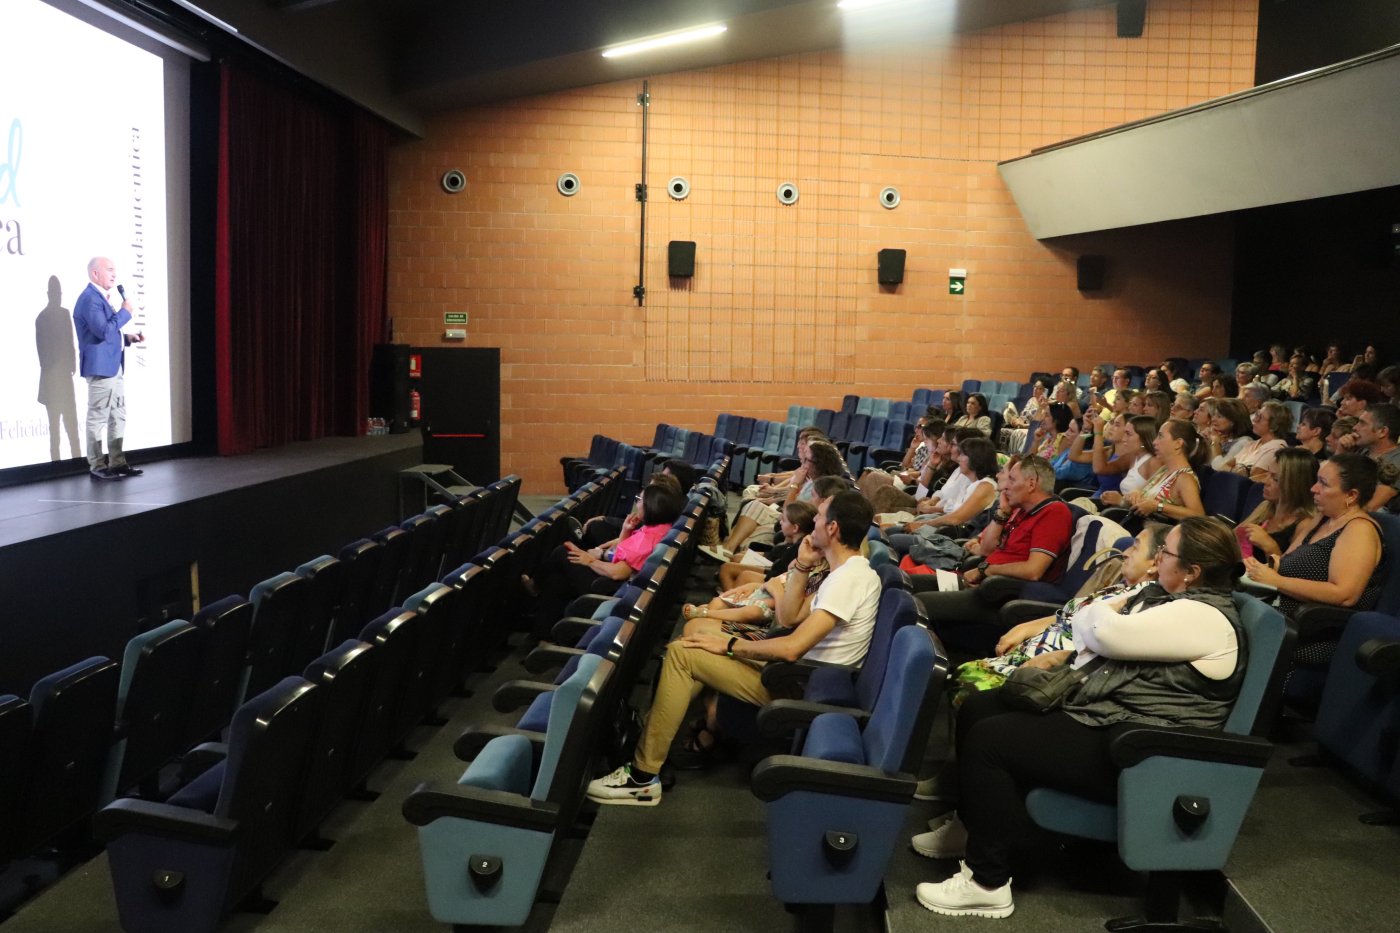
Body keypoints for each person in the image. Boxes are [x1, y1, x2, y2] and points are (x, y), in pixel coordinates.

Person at [912, 517, 1244, 919]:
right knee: (984, 706)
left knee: (992, 741)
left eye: (1165, 552)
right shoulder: (1173, 601)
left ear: (1193, 572)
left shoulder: (1203, 617)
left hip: (1146, 751)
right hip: (1119, 722)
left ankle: (987, 883)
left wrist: (1104, 611)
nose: (1156, 559)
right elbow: (1096, 627)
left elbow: (1098, 631)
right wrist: (1104, 615)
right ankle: (975, 828)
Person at [586, 491, 881, 806]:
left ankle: (643, 777)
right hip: (796, 675)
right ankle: (653, 738)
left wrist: (728, 645)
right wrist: (801, 565)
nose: (813, 523)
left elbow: (792, 648)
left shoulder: (847, 580)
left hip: (798, 685)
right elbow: (789, 616)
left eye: (820, 517)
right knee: (692, 642)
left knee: (683, 655)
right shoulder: (848, 572)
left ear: (833, 529)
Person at [948, 523, 1170, 705]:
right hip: (1024, 658)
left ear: (1154, 563)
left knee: (964, 689)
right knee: (956, 676)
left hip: (1048, 678)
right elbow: (1067, 615)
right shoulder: (1118, 588)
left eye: (1135, 547)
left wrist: (1050, 658)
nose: (1125, 552)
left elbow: (1093, 650)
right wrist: (1024, 628)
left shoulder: (1140, 603)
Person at [911, 456, 1074, 654]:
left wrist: (986, 570)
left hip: (997, 595)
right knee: (906, 583)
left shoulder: (1054, 512)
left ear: (1031, 483)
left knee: (915, 604)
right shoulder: (1020, 510)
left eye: (1012, 480)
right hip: (979, 581)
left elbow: (1034, 571)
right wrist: (1002, 512)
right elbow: (987, 550)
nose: (1005, 486)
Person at [522, 479, 685, 630]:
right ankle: (544, 634)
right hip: (612, 582)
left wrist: (590, 561)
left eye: (640, 499)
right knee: (557, 582)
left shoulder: (649, 539)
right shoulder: (658, 528)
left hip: (609, 588)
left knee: (562, 552)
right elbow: (624, 554)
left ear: (651, 505)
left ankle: (535, 585)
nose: (637, 503)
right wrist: (625, 531)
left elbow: (619, 572)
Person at [1243, 453, 1385, 618]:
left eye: (1323, 484)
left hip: (1307, 628)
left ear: (1351, 495)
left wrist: (1278, 582)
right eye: (1317, 480)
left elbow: (1344, 595)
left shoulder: (1360, 530)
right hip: (1273, 609)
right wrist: (1255, 567)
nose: (1313, 488)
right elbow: (1284, 563)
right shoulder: (1321, 518)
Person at [72, 256, 144, 480]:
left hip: (114, 366)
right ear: (95, 274)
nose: (114, 274)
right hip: (102, 368)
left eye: (115, 270)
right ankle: (97, 466)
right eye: (110, 270)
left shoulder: (100, 298)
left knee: (118, 415)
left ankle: (117, 462)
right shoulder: (89, 299)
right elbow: (102, 331)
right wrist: (125, 312)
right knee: (98, 417)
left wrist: (127, 338)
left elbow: (110, 332)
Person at [716, 499, 818, 591]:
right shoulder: (796, 541)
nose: (781, 523)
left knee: (728, 569)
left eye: (784, 520)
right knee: (737, 559)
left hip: (775, 577)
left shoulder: (798, 547)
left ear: (795, 528)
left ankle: (729, 597)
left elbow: (778, 571)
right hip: (775, 569)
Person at [1236, 447, 1318, 561]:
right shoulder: (1266, 507)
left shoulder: (1304, 525)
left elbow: (1288, 574)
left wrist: (1270, 547)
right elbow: (1233, 539)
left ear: (1295, 485)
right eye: (1268, 474)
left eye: (1275, 479)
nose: (1265, 481)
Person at [1124, 419, 1207, 524]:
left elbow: (1199, 516)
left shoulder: (1185, 478)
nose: (1154, 442)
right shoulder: (1164, 470)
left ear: (1178, 444)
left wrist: (1158, 507)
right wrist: (1135, 493)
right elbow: (1142, 493)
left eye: (1160, 436)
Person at [1342, 403, 1400, 512]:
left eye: (1362, 423)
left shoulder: (1397, 461)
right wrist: (1342, 451)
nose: (1355, 427)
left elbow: (1370, 506)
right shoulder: (1362, 452)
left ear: (1382, 432)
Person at [1222, 401, 1291, 481]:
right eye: (1257, 414)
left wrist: (1236, 470)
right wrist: (1238, 471)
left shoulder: (1276, 449)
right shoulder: (1251, 444)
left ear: (1274, 426)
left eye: (1260, 417)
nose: (1254, 419)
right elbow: (1224, 466)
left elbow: (1251, 478)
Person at [1203, 397, 1252, 471]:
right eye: (1214, 415)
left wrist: (1214, 443)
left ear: (1233, 420)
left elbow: (1219, 469)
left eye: (1219, 416)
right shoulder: (1215, 436)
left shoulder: (1244, 442)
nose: (1213, 419)